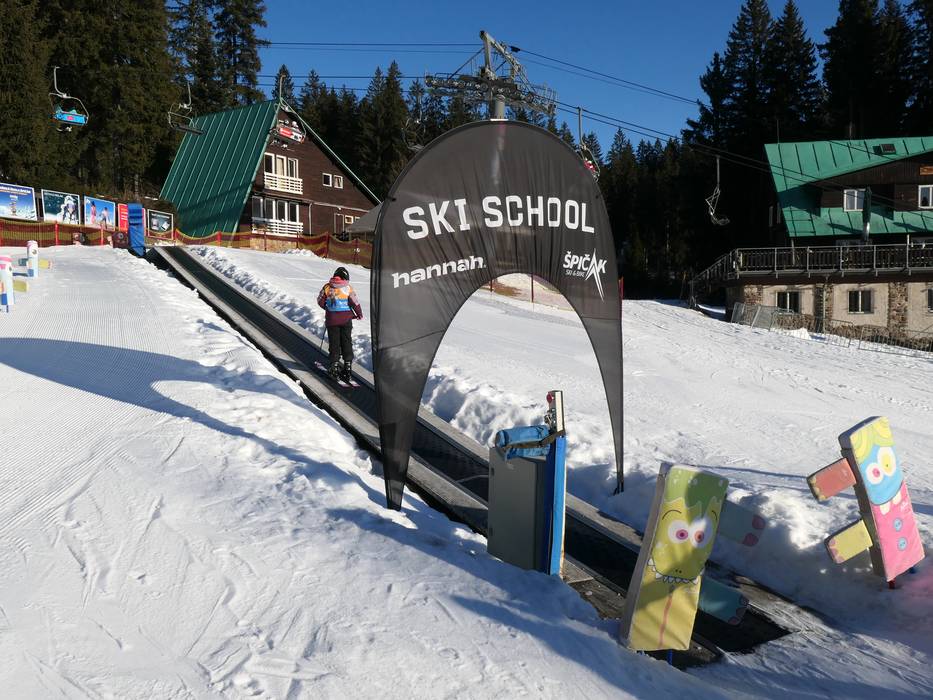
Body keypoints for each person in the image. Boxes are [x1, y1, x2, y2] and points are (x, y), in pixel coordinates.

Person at [317, 266, 362, 382]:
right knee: (346, 341)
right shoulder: (348, 288)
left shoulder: (327, 287)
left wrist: (328, 308)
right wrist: (359, 314)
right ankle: (347, 368)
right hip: (346, 320)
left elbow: (320, 300)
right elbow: (355, 302)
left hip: (332, 320)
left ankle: (334, 367)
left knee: (334, 343)